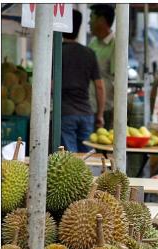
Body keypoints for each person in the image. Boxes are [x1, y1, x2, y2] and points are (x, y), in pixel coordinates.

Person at [61, 9, 105, 153]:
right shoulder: (89, 53)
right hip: (86, 113)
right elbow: (99, 87)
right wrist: (100, 114)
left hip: (65, 113)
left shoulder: (56, 52)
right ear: (79, 29)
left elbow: (50, 85)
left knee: (69, 160)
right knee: (88, 158)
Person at [89, 4, 116, 131]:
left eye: (92, 17)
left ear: (102, 20)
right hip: (89, 106)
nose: (89, 22)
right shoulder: (93, 43)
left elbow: (118, 80)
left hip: (105, 109)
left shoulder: (116, 44)